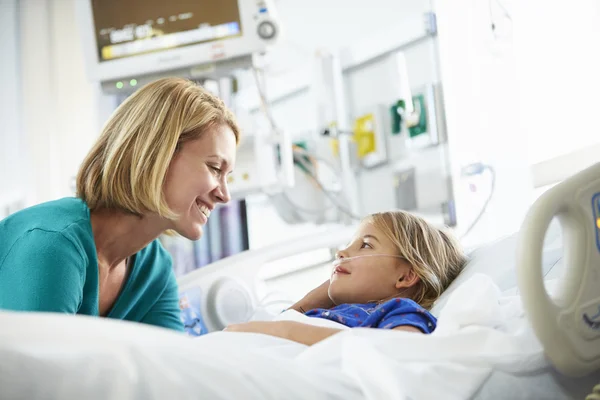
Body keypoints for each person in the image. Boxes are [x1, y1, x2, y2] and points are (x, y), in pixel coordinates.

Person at [0, 77, 240, 331]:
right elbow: (42, 369)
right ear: (157, 154)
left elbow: (173, 363)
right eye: (215, 168)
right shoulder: (53, 246)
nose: (225, 195)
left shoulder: (153, 269)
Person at [225, 210, 467, 344]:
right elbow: (279, 325)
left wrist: (288, 331)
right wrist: (320, 296)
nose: (342, 252)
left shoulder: (400, 311)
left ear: (406, 276)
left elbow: (399, 351)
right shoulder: (341, 311)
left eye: (365, 246)